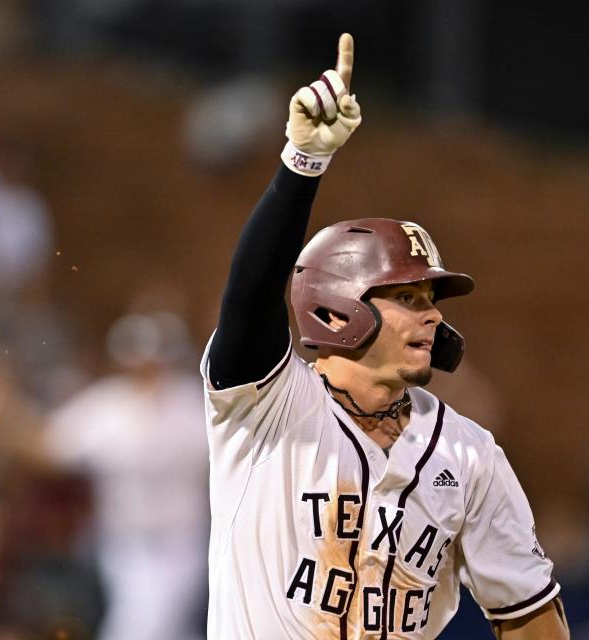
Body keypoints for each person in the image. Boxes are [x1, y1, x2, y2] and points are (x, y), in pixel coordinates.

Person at [201, 34, 568, 639]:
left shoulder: (469, 455)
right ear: (336, 309)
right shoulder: (265, 405)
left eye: (430, 300)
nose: (430, 316)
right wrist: (302, 163)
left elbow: (529, 614)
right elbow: (249, 295)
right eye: (406, 297)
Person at [0, 309, 209, 640]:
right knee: (163, 627)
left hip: (180, 545)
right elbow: (48, 447)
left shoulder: (191, 404)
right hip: (123, 546)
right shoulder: (108, 406)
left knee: (140, 627)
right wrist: (3, 413)